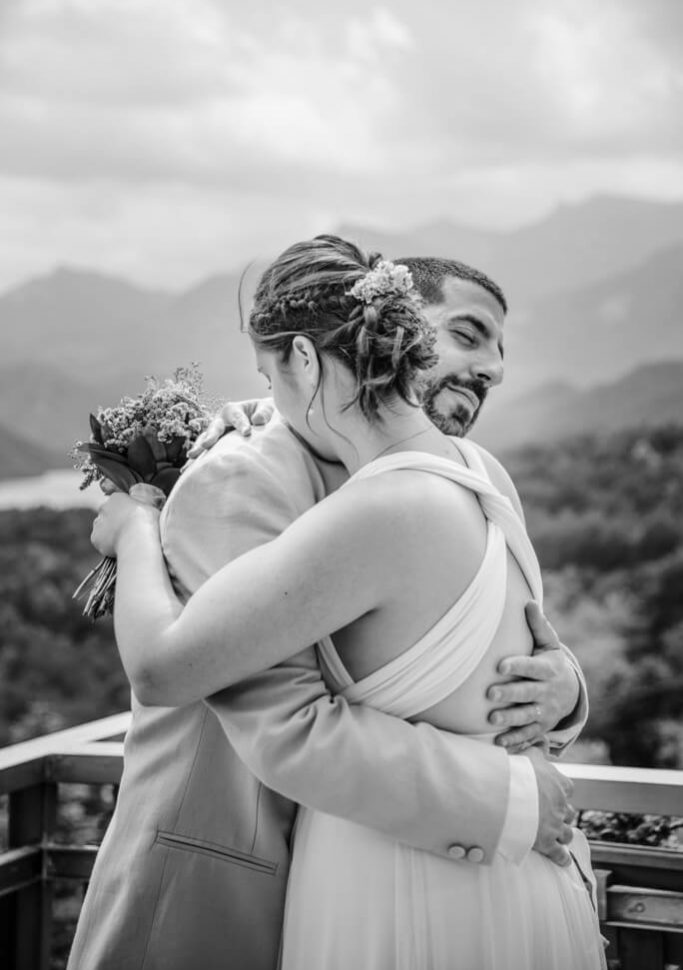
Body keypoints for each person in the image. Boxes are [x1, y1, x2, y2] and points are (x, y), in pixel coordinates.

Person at [90, 235, 604, 969]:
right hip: (241, 874)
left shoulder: (456, 477)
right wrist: (508, 797)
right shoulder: (245, 474)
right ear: (402, 340)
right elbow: (275, 710)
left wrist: (559, 685)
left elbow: (497, 636)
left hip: (402, 873)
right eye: (464, 335)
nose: (490, 368)